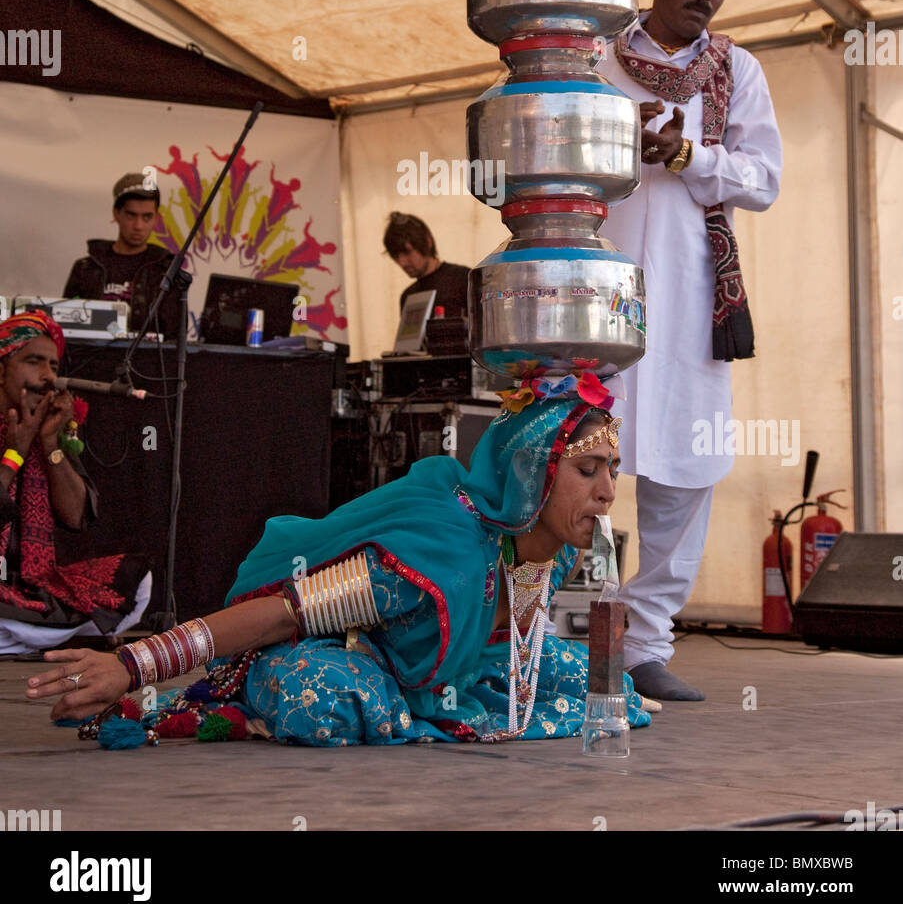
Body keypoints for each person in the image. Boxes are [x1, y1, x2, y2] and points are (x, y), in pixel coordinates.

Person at [26, 373, 658, 746]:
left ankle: (422, 704)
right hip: (331, 653)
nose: (606, 492)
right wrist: (130, 667)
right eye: (587, 470)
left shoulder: (550, 550)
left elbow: (523, 645)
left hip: (445, 673)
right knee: (328, 699)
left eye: (613, 472)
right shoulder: (437, 554)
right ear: (529, 474)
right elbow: (280, 616)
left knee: (604, 685)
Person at [602, 0, 783, 701]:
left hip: (694, 296)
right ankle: (575, 631)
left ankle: (644, 645)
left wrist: (686, 154)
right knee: (579, 463)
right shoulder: (589, 58)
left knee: (686, 470)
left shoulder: (736, 71)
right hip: (598, 295)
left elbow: (762, 181)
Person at [0, 312, 150, 654]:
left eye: (53, 366)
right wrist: (14, 452)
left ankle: (32, 637)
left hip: (29, 589)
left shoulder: (47, 429)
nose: (48, 377)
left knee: (139, 581)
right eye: (34, 362)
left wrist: (51, 446)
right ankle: (47, 637)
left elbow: (76, 516)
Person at [62, 172, 179, 337]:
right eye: (131, 215)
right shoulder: (85, 268)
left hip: (145, 361)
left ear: (156, 219)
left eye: (147, 217)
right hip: (90, 359)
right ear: (116, 214)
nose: (138, 226)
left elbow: (174, 339)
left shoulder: (166, 270)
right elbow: (66, 327)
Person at [383, 211, 469, 319]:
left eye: (407, 252)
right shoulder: (407, 297)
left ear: (428, 242)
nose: (402, 262)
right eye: (395, 256)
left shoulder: (463, 279)